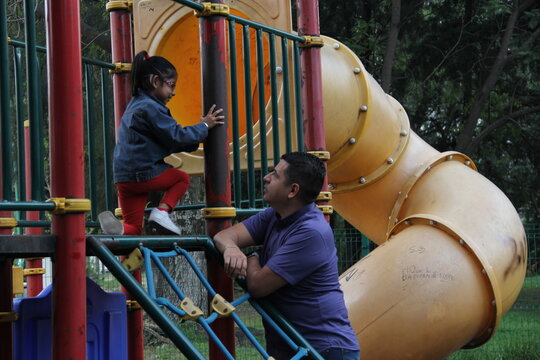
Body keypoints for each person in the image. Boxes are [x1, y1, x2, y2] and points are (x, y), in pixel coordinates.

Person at [213, 152, 360, 360]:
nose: (266, 177)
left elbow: (258, 286)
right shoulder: (274, 215)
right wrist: (231, 248)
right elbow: (223, 236)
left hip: (323, 349)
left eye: (275, 174)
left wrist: (253, 256)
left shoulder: (312, 232)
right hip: (290, 344)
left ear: (293, 190)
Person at [98, 50, 224, 236]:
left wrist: (196, 138)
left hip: (124, 178)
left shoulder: (135, 105)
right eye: (171, 86)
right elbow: (177, 136)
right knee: (182, 178)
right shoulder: (151, 108)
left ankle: (120, 231)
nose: (173, 93)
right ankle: (162, 212)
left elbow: (171, 141)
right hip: (143, 173)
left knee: (133, 230)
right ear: (155, 81)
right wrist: (205, 126)